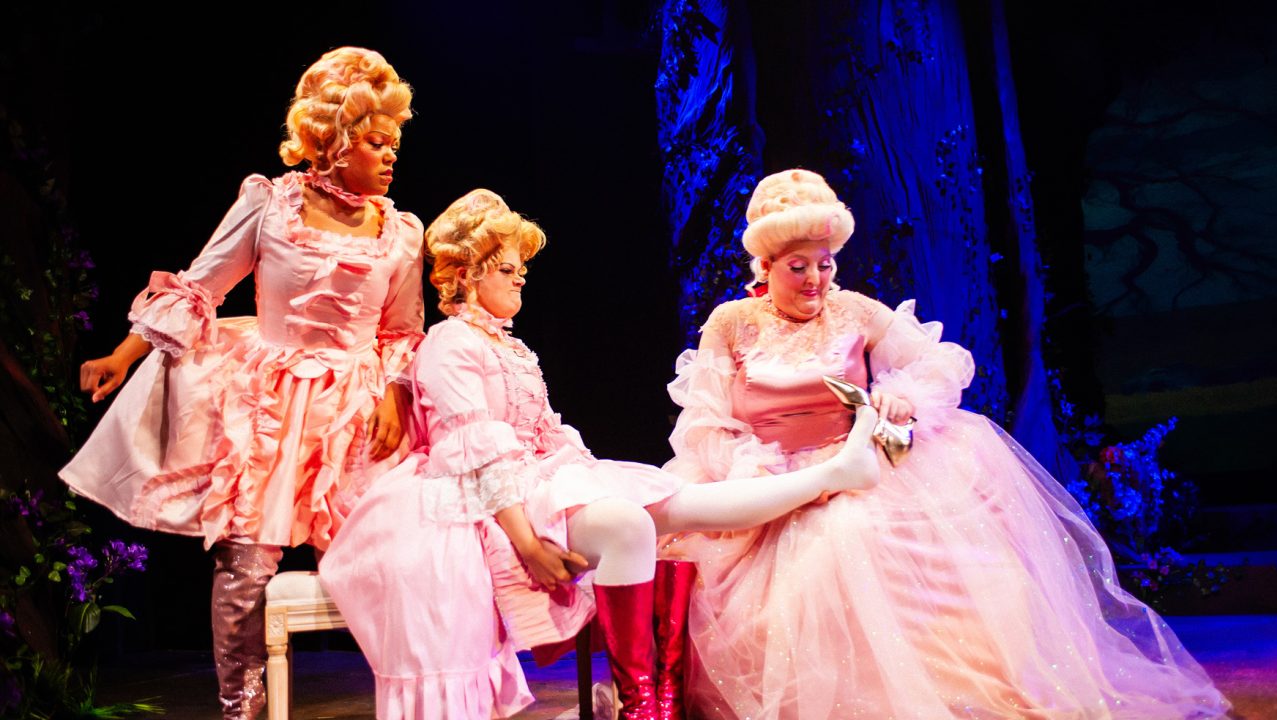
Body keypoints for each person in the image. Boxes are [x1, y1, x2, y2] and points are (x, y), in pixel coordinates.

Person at [662, 168, 1232, 719]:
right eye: (797, 267)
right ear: (765, 265)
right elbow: (704, 422)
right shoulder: (733, 322)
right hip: (769, 483)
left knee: (856, 537)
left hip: (859, 472)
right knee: (798, 567)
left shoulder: (853, 309)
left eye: (825, 263)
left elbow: (938, 362)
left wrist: (902, 392)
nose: (816, 279)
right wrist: (765, 482)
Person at [319, 188, 881, 720]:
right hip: (483, 504)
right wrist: (527, 546)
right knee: (627, 524)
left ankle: (835, 472)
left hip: (538, 481)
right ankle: (641, 702)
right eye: (506, 270)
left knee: (679, 504)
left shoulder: (506, 344)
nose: (520, 282)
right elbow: (478, 454)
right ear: (466, 276)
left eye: (521, 271)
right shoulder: (450, 343)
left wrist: (584, 474)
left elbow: (544, 430)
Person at [59, 47, 425, 720]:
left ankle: (406, 699)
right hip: (271, 406)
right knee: (245, 567)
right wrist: (122, 353)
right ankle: (241, 708)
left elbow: (401, 333)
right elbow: (199, 288)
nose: (391, 154)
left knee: (389, 554)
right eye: (378, 142)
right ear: (336, 142)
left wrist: (398, 395)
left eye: (395, 143)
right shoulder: (271, 203)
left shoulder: (401, 233)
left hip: (357, 408)